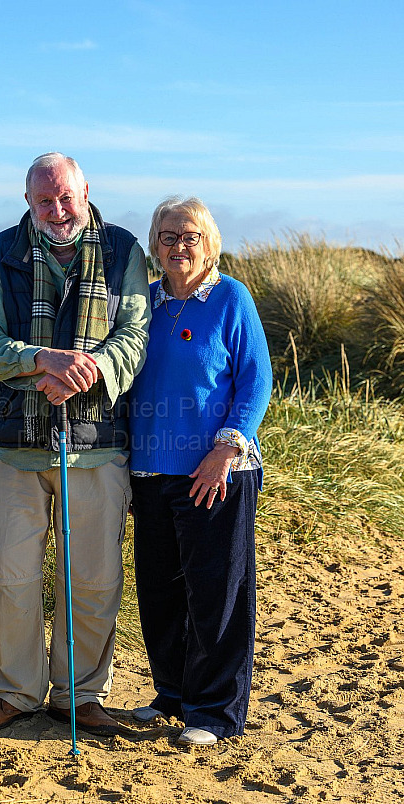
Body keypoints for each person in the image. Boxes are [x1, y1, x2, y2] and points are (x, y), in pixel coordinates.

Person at [0, 152, 151, 736]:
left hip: (97, 446)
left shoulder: (124, 250)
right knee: (8, 576)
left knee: (93, 578)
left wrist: (88, 369)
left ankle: (80, 695)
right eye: (44, 200)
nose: (57, 209)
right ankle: (15, 693)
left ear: (86, 190)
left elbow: (136, 335)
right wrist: (42, 361)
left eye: (66, 196)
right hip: (15, 447)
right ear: (28, 201)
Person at [129, 197, 272, 746]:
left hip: (218, 468)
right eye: (167, 236)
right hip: (150, 469)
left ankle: (214, 712)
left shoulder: (231, 297)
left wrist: (225, 448)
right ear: (154, 244)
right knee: (160, 590)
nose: (178, 246)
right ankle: (174, 692)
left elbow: (255, 380)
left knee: (218, 592)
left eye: (189, 235)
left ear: (209, 241)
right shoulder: (146, 304)